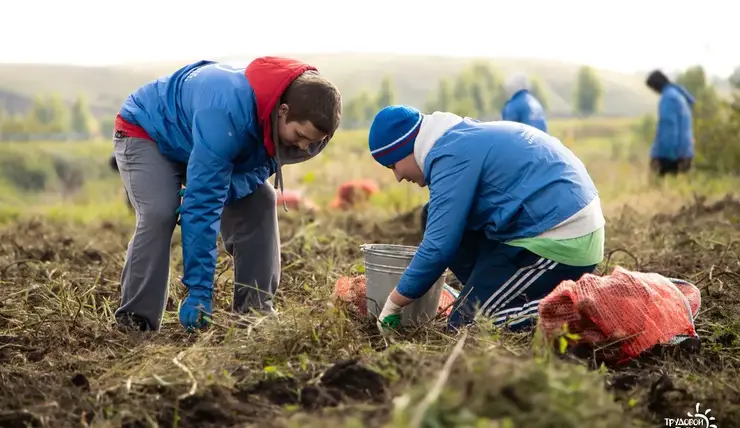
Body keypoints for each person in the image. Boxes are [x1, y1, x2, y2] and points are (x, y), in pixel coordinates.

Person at [111, 57, 341, 332]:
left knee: (261, 200)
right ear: (282, 111)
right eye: (300, 135)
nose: (304, 147)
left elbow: (265, 163)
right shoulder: (228, 114)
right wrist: (199, 290)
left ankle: (255, 315)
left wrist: (231, 188)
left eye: (312, 142)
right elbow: (203, 207)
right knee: (160, 211)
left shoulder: (310, 134)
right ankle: (136, 320)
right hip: (148, 131)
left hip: (206, 143)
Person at [368, 105, 604, 332]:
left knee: (469, 324)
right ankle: (486, 293)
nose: (398, 177)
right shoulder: (456, 138)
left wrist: (394, 303)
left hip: (562, 237)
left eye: (393, 165)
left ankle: (579, 304)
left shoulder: (451, 156)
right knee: (430, 215)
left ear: (408, 147)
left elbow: (438, 247)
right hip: (541, 225)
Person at [645, 69, 695, 176]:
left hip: (672, 154)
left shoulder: (668, 98)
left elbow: (669, 127)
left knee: (657, 186)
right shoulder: (680, 96)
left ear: (655, 86)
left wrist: (663, 155)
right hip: (686, 151)